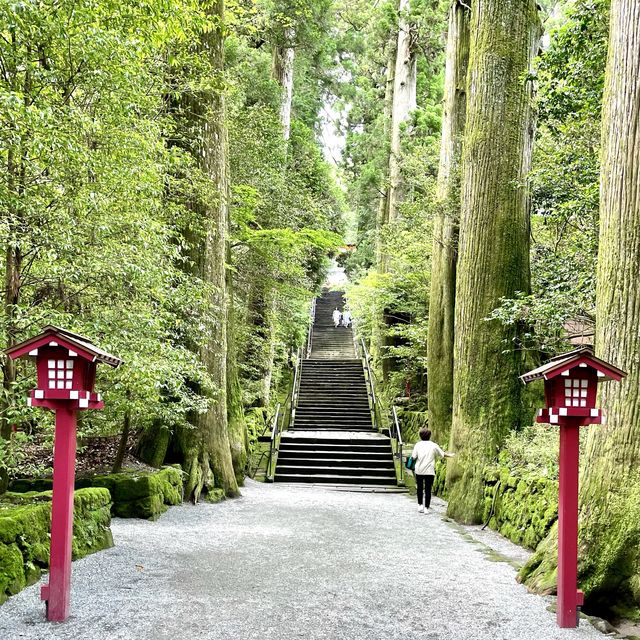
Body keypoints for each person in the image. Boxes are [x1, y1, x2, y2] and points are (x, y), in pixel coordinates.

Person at [411, 427, 454, 514]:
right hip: (429, 471)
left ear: (420, 436)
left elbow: (413, 457)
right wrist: (451, 455)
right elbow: (443, 454)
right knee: (428, 489)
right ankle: (426, 508)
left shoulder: (418, 445)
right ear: (429, 436)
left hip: (419, 470)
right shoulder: (433, 445)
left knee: (419, 488)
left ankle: (420, 505)